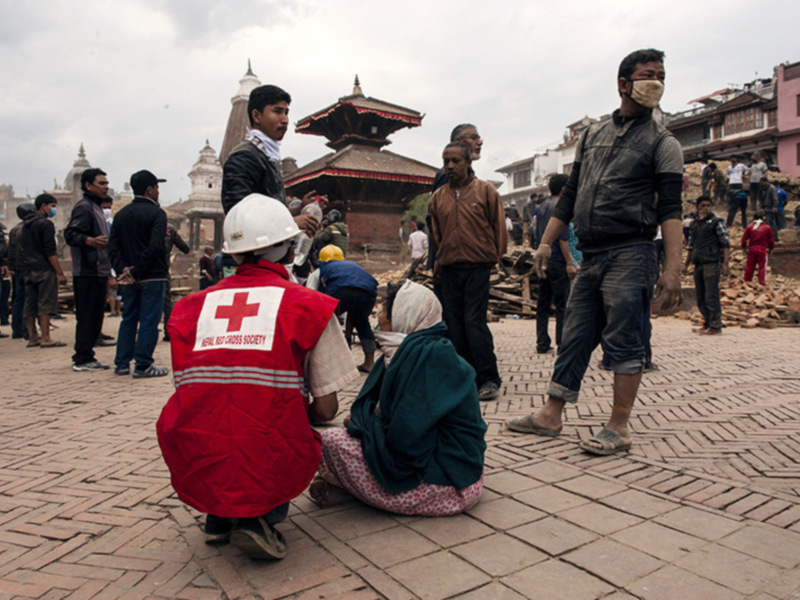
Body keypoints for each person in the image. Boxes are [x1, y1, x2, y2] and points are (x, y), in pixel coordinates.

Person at [157, 193, 358, 560]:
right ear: (289, 248)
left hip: (196, 447)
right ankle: (258, 517)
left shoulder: (188, 309)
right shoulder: (309, 306)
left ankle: (219, 515)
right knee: (280, 427)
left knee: (220, 417)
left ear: (233, 253)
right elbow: (326, 408)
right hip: (266, 447)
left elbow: (195, 390)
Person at [506, 48, 684, 455]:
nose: (656, 83)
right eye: (648, 75)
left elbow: (671, 210)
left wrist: (673, 270)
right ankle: (551, 414)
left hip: (633, 252)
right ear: (623, 84)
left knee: (625, 341)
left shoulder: (663, 142)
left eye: (661, 76)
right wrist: (546, 242)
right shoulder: (592, 136)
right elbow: (570, 196)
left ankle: (618, 426)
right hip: (592, 255)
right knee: (574, 336)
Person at [311, 280, 486, 514]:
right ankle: (350, 488)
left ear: (404, 316)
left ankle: (355, 490)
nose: (378, 319)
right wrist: (365, 424)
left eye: (384, 312)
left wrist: (364, 426)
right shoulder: (418, 351)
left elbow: (406, 444)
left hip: (448, 487)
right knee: (352, 433)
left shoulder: (424, 358)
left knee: (330, 441)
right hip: (467, 474)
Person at [429, 141, 507, 401]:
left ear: (469, 162)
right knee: (454, 325)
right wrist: (439, 261)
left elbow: (498, 226)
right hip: (450, 269)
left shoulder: (485, 191)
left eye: (456, 161)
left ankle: (489, 377)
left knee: (474, 323)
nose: (450, 166)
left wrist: (495, 257)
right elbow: (437, 235)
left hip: (477, 268)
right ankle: (465, 377)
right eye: (446, 161)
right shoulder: (437, 197)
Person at [221, 84, 322, 235]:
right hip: (253, 249)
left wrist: (299, 209)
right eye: (277, 111)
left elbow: (271, 213)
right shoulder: (243, 158)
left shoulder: (267, 156)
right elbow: (239, 217)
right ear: (257, 116)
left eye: (286, 113)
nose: (285, 120)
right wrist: (292, 223)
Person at [108, 170, 170, 378]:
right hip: (152, 275)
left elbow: (113, 247)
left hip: (128, 278)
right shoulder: (157, 214)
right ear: (149, 190)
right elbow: (155, 247)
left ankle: (122, 363)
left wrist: (124, 270)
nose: (158, 192)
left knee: (129, 318)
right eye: (157, 188)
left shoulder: (121, 215)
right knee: (149, 321)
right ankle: (143, 365)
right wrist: (137, 271)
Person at [64, 167, 114, 370]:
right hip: (87, 271)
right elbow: (71, 235)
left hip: (98, 270)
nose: (105, 187)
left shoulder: (96, 208)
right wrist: (90, 241)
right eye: (101, 183)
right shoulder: (84, 207)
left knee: (95, 316)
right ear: (88, 185)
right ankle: (82, 357)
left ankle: (87, 355)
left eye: (106, 183)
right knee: (87, 316)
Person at [307, 245, 378, 373]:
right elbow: (352, 310)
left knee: (327, 323)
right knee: (362, 323)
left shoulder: (321, 269)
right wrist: (347, 337)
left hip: (340, 291)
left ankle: (330, 362)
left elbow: (310, 294)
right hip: (368, 292)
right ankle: (369, 363)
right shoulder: (352, 266)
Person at [534, 174, 575, 354]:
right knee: (562, 305)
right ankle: (562, 343)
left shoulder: (541, 206)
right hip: (557, 259)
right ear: (564, 188)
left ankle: (542, 343)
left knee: (542, 305)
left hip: (543, 260)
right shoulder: (562, 207)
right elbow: (563, 239)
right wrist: (569, 263)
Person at [21, 194, 67, 347]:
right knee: (45, 304)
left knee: (30, 304)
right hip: (44, 269)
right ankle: (46, 338)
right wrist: (59, 272)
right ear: (43, 206)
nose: (53, 210)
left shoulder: (25, 224)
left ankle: (32, 338)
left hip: (29, 269)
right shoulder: (45, 224)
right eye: (52, 206)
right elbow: (50, 251)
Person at [684, 196, 730, 335]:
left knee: (711, 295)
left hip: (712, 262)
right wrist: (686, 264)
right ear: (697, 207)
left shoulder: (716, 222)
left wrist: (725, 263)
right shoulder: (694, 224)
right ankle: (707, 323)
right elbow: (690, 245)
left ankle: (715, 326)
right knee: (701, 297)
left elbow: (725, 243)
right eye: (703, 205)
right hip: (698, 262)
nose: (706, 208)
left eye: (708, 205)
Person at [8, 202, 36, 339]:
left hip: (18, 269)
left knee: (18, 299)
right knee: (28, 299)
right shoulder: (29, 228)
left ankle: (17, 330)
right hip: (28, 268)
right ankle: (27, 331)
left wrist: (12, 267)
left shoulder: (14, 230)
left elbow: (11, 252)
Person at [162, 224, 191, 341]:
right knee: (167, 303)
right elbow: (185, 248)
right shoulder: (169, 229)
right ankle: (168, 332)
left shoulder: (144, 224)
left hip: (140, 270)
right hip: (162, 270)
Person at [741, 211, 775, 286]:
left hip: (752, 249)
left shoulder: (749, 227)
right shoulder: (767, 228)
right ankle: (761, 281)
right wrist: (771, 249)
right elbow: (771, 240)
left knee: (750, 266)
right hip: (762, 249)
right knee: (762, 266)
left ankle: (747, 280)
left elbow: (744, 240)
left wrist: (744, 248)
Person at [759, 177, 780, 242]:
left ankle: (774, 237)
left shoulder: (772, 188)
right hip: (766, 208)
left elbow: (775, 198)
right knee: (767, 223)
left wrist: (775, 206)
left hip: (770, 208)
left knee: (772, 223)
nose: (761, 184)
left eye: (761, 182)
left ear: (765, 181)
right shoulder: (764, 189)